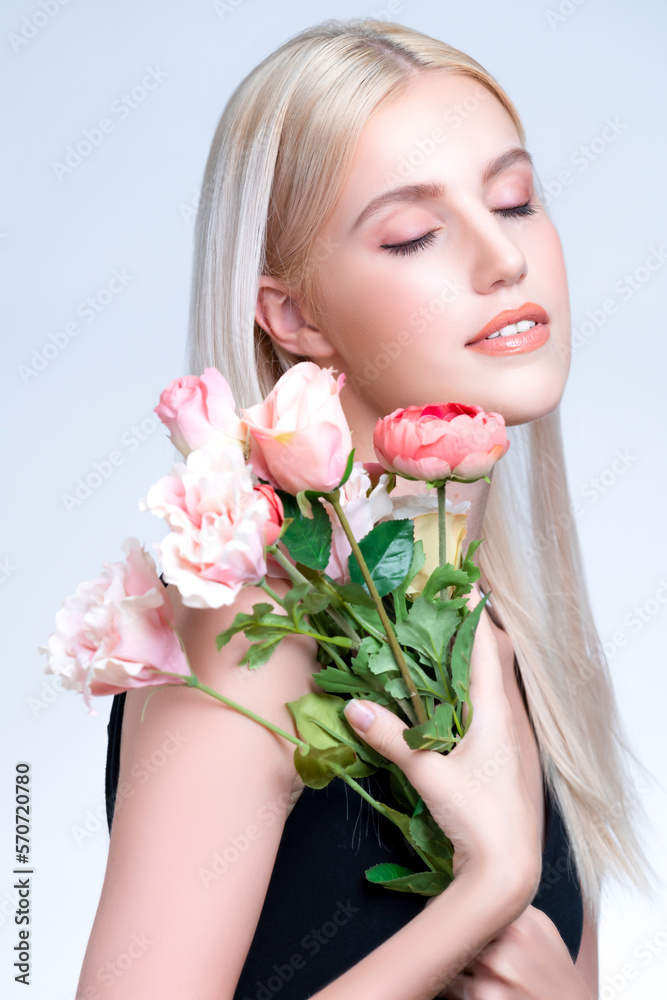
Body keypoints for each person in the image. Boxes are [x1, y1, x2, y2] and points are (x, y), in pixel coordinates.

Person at [76, 18, 657, 999]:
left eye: (513, 201)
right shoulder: (250, 626)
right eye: (413, 233)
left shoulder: (501, 637)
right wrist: (484, 894)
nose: (500, 258)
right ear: (292, 315)